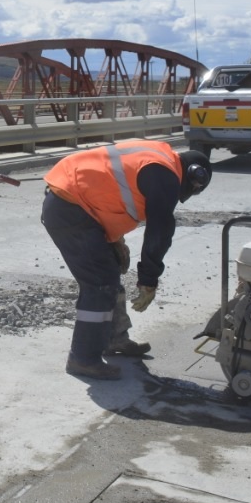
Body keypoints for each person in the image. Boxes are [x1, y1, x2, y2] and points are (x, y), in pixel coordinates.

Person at [42, 140, 212, 380]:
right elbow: (160, 231)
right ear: (194, 177)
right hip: (70, 207)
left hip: (75, 201)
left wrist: (115, 240)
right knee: (99, 283)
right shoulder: (165, 174)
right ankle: (83, 359)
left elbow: (112, 188)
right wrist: (148, 280)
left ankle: (114, 339)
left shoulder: (159, 158)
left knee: (109, 273)